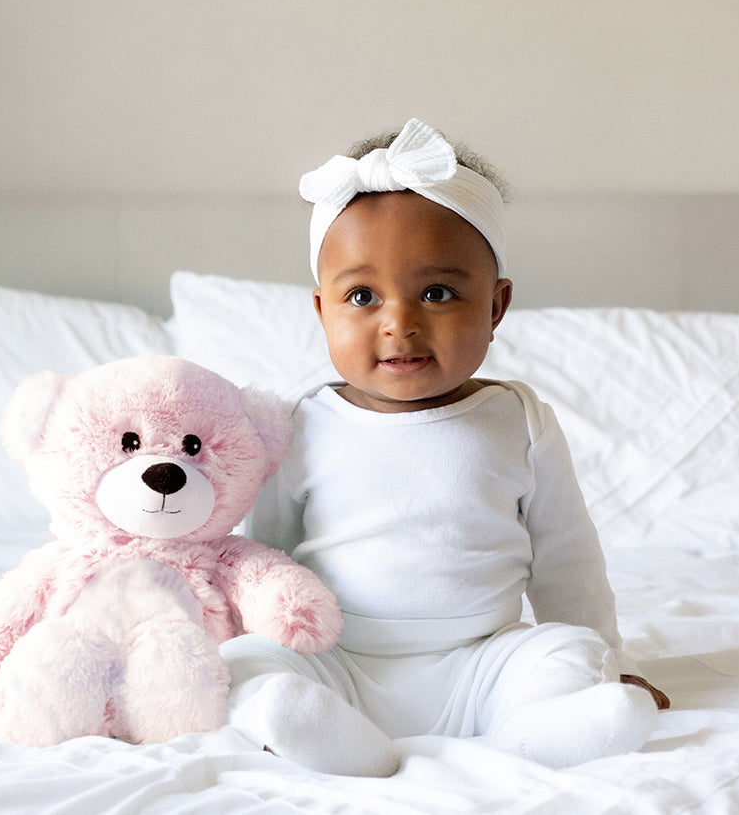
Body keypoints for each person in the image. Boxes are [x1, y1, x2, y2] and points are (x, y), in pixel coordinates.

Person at [220, 118, 668, 777]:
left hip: (483, 660)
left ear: (495, 306)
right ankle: (313, 726)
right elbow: (266, 560)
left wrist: (610, 659)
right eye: (362, 296)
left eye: (436, 293)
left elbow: (566, 563)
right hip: (337, 660)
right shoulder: (300, 424)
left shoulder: (518, 420)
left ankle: (540, 730)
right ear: (321, 311)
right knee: (238, 661)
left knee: (564, 652)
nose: (399, 322)